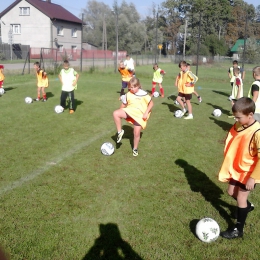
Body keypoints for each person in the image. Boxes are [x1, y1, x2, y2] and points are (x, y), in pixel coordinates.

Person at [218, 97, 260, 239]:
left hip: (248, 172)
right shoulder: (241, 125)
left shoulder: (257, 132)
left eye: (238, 117)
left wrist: (253, 178)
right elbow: (235, 135)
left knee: (241, 198)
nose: (236, 120)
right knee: (231, 192)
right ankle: (247, 207)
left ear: (250, 115)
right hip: (237, 169)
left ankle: (238, 229)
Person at [113, 77, 154, 156]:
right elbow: (124, 104)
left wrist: (146, 113)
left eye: (133, 87)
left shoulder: (144, 94)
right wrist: (121, 111)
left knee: (136, 133)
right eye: (130, 87)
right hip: (130, 111)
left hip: (140, 116)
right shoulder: (128, 94)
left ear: (138, 86)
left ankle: (135, 148)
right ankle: (120, 132)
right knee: (116, 113)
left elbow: (151, 103)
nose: (131, 89)